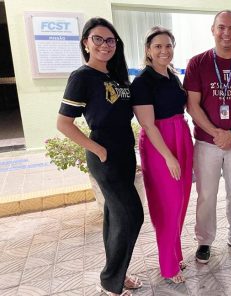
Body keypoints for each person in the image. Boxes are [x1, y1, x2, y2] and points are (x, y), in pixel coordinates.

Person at [56, 17, 144, 296]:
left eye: (110, 40)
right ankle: (110, 280)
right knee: (132, 216)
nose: (105, 45)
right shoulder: (82, 77)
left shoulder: (115, 77)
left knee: (115, 218)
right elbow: (63, 123)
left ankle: (117, 275)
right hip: (105, 157)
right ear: (86, 43)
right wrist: (98, 150)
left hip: (124, 154)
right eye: (98, 39)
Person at [183, 10, 231, 263]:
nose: (227, 33)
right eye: (222, 27)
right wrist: (216, 133)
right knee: (206, 195)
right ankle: (204, 241)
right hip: (206, 143)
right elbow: (192, 105)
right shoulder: (197, 63)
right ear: (213, 30)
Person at [130, 26, 193, 284]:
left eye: (168, 45)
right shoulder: (143, 81)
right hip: (160, 145)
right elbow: (147, 124)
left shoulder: (172, 75)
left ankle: (175, 254)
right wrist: (168, 156)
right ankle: (168, 267)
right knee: (167, 205)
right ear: (148, 50)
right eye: (158, 46)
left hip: (181, 137)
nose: (164, 51)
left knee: (180, 202)